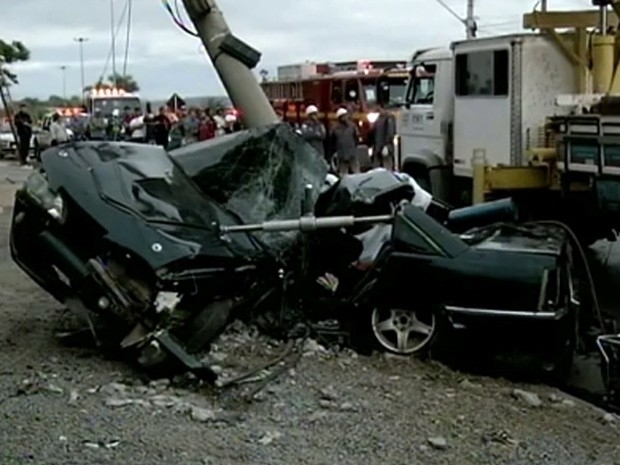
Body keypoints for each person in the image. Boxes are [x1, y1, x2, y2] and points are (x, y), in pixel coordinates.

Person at [329, 108, 360, 175]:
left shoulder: (352, 126)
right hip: (342, 155)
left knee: (357, 172)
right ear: (340, 118)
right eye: (343, 116)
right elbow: (332, 141)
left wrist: (354, 147)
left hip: (352, 153)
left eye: (346, 115)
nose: (345, 117)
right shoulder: (335, 128)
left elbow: (356, 138)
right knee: (343, 174)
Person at [371, 105, 397, 170]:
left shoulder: (389, 118)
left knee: (387, 167)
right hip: (377, 147)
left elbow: (390, 132)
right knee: (377, 168)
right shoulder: (379, 118)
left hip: (385, 147)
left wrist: (387, 145)